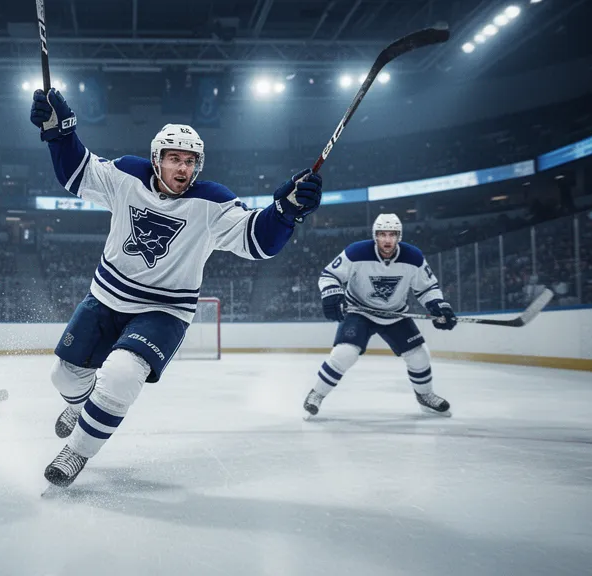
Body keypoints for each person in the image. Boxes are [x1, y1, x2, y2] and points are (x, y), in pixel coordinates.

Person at [30, 88, 324, 487]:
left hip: (164, 311)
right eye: (173, 158)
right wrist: (61, 133)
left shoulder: (213, 202)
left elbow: (259, 242)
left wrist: (285, 213)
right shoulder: (127, 175)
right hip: (105, 298)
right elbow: (76, 173)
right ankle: (81, 408)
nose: (182, 168)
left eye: (189, 161)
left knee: (119, 375)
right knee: (63, 377)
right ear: (157, 159)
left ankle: (77, 451)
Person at [303, 214, 456, 418]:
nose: (387, 240)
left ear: (399, 236)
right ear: (375, 236)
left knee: (419, 356)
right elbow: (330, 275)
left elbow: (427, 287)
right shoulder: (356, 252)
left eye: (392, 234)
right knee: (345, 353)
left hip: (395, 314)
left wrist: (438, 306)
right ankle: (317, 394)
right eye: (382, 234)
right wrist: (332, 294)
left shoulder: (414, 257)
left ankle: (425, 396)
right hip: (359, 311)